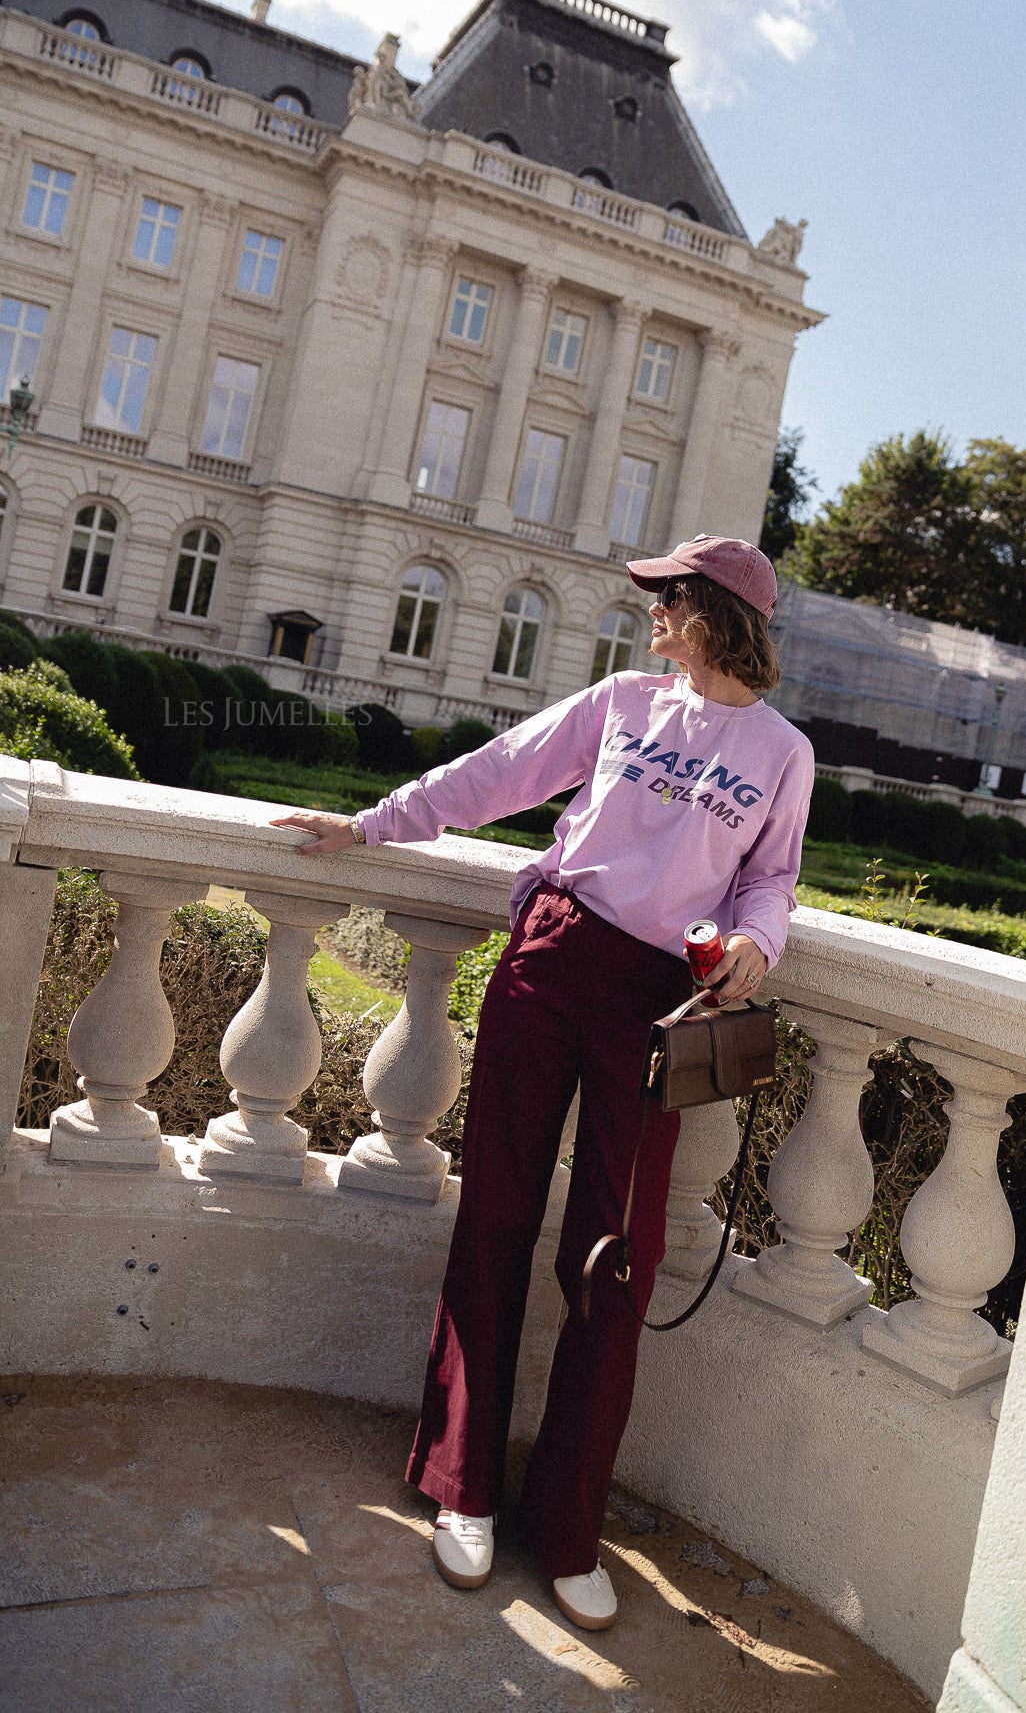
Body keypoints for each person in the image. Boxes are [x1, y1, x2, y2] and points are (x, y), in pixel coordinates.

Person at [273, 534, 814, 1632]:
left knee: (615, 1261)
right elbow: (498, 772)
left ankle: (567, 1524)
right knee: (497, 1217)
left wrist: (759, 941)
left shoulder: (782, 750)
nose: (650, 613)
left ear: (713, 612)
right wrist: (369, 823)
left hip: (661, 1003)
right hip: (550, 957)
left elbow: (772, 879)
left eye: (666, 598)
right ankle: (461, 1486)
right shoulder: (620, 701)